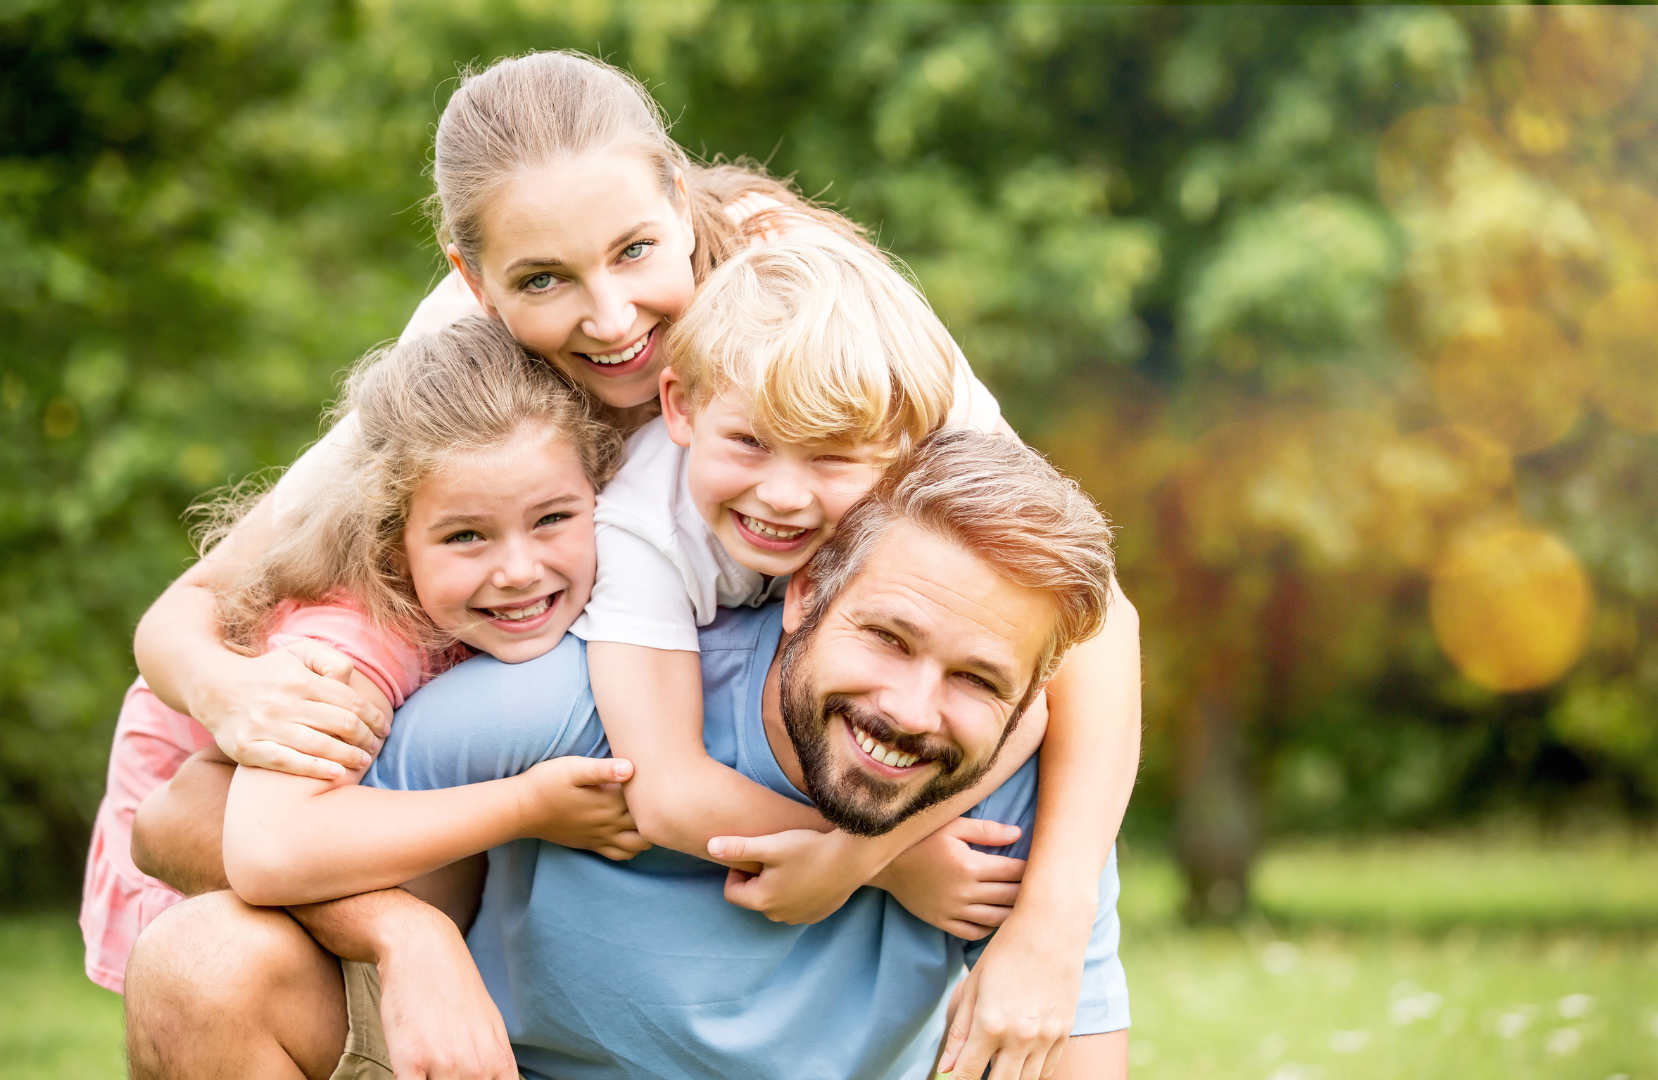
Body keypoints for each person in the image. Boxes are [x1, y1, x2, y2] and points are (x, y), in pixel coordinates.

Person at [121, 50, 1142, 1069]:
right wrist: (227, 692)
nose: (610, 319)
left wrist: (1036, 920)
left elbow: (1081, 621)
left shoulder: (824, 332)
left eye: (635, 253)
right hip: (368, 736)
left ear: (682, 203)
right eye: (543, 279)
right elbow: (185, 701)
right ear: (473, 280)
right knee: (209, 951)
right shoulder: (466, 403)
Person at [127, 429, 1129, 1080]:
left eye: (977, 679)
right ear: (808, 591)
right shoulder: (590, 693)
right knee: (206, 960)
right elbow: (181, 821)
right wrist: (403, 931)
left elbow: (1076, 1052)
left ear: (1034, 695)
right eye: (891, 638)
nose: (912, 710)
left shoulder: (1027, 805)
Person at [79, 317, 645, 994]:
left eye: (552, 518)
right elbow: (270, 851)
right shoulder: (354, 642)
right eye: (467, 536)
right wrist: (528, 806)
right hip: (195, 834)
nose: (520, 570)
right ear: (391, 544)